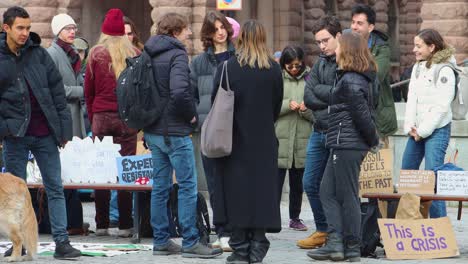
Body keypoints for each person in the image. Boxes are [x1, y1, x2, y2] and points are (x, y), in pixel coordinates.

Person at [0, 6, 81, 259]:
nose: (25, 33)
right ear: (6, 28)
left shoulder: (40, 55)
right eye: (20, 28)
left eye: (28, 27)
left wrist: (64, 129)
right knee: (16, 193)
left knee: (55, 188)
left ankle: (62, 242)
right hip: (15, 135)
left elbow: (57, 92)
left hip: (45, 133)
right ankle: (20, 243)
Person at [143, 12, 222, 258]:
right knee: (187, 185)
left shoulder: (147, 53)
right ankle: (190, 241)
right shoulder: (177, 54)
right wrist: (191, 116)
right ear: (175, 32)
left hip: (153, 130)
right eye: (186, 29)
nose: (189, 33)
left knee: (161, 187)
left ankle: (161, 240)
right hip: (175, 130)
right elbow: (180, 91)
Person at [212, 20, 284, 264]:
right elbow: (277, 105)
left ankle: (240, 248)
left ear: (240, 38)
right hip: (264, 140)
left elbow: (216, 102)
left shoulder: (229, 67)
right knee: (262, 194)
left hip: (235, 139)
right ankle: (258, 245)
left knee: (238, 193)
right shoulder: (274, 69)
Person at [307, 31, 379, 262]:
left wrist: (373, 140)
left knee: (347, 195)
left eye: (338, 47)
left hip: (347, 144)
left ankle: (351, 247)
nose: (334, 51)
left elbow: (363, 116)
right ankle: (337, 244)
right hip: (342, 142)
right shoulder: (349, 77)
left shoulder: (351, 80)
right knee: (327, 191)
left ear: (346, 49)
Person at [84, 8, 138, 238]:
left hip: (101, 118)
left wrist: (92, 115)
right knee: (125, 173)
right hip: (126, 120)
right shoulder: (134, 53)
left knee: (101, 172)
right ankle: (126, 224)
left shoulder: (95, 54)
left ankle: (102, 224)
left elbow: (89, 92)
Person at [190, 10, 235, 251]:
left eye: (223, 27)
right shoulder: (198, 62)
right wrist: (197, 119)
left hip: (236, 128)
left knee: (235, 180)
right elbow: (190, 95)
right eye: (215, 28)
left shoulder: (239, 58)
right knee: (215, 182)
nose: (220, 32)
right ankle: (222, 230)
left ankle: (238, 228)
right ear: (208, 33)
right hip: (209, 129)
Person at [402, 29, 456, 218]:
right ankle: (408, 224)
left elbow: (441, 106)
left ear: (432, 47)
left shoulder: (445, 69)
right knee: (407, 174)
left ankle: (439, 229)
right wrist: (410, 127)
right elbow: (412, 99)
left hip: (437, 130)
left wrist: (422, 131)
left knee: (433, 179)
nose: (413, 50)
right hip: (417, 130)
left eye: (418, 46)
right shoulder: (418, 67)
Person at [298, 15, 341, 249]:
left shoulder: (346, 60)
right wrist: (328, 95)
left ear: (338, 37)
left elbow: (342, 93)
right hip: (318, 130)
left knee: (334, 187)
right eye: (319, 42)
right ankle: (323, 229)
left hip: (338, 132)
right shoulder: (320, 62)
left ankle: (339, 233)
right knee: (310, 182)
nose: (322, 46)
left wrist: (323, 94)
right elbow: (308, 96)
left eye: (326, 40)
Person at [47, 13, 86, 236]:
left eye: (74, 28)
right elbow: (55, 89)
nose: (72, 32)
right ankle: (69, 222)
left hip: (75, 117)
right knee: (65, 172)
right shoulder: (52, 54)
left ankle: (75, 221)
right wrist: (82, 92)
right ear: (58, 31)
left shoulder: (71, 54)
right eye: (68, 28)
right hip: (63, 119)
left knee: (74, 172)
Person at [276, 45, 313, 232]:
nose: (293, 70)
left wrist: (306, 110)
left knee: (297, 185)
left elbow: (318, 113)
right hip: (279, 140)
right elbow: (268, 107)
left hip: (302, 140)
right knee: (275, 182)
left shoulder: (310, 79)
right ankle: (271, 217)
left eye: (297, 66)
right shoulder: (276, 78)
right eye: (289, 66)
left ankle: (295, 218)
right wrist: (285, 105)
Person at [350, 4, 397, 143]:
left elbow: (376, 75)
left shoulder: (382, 47)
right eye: (352, 22)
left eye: (359, 23)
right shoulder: (345, 44)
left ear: (370, 27)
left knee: (379, 162)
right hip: (351, 116)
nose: (354, 27)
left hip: (377, 116)